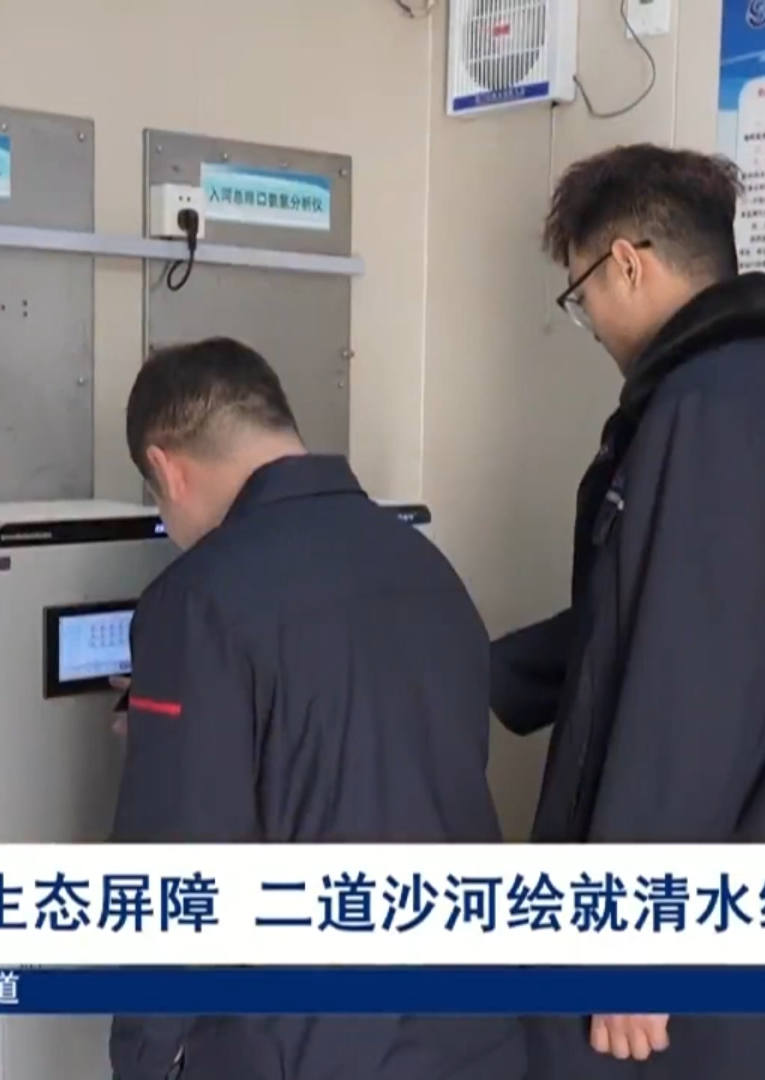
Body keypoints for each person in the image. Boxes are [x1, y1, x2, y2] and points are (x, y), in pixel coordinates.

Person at [491, 145, 765, 1078]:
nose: (588, 320)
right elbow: (651, 619)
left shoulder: (704, 415)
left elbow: (692, 693)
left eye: (580, 292)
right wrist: (476, 669)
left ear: (627, 262)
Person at [108, 337, 527, 1080]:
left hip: (300, 1046)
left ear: (166, 468)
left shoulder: (195, 599)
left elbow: (176, 869)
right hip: (472, 1028)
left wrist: (142, 1055)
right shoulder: (428, 567)